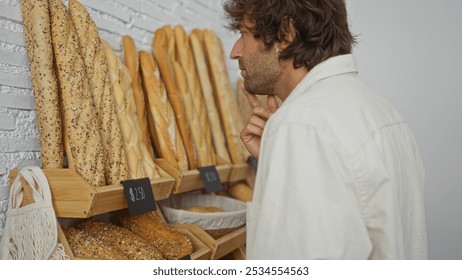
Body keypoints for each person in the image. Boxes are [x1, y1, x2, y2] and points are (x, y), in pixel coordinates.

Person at [224, 0, 427, 259]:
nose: (235, 52)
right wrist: (278, 161)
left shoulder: (301, 127)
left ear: (285, 34)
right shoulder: (384, 113)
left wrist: (288, 138)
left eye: (243, 34)